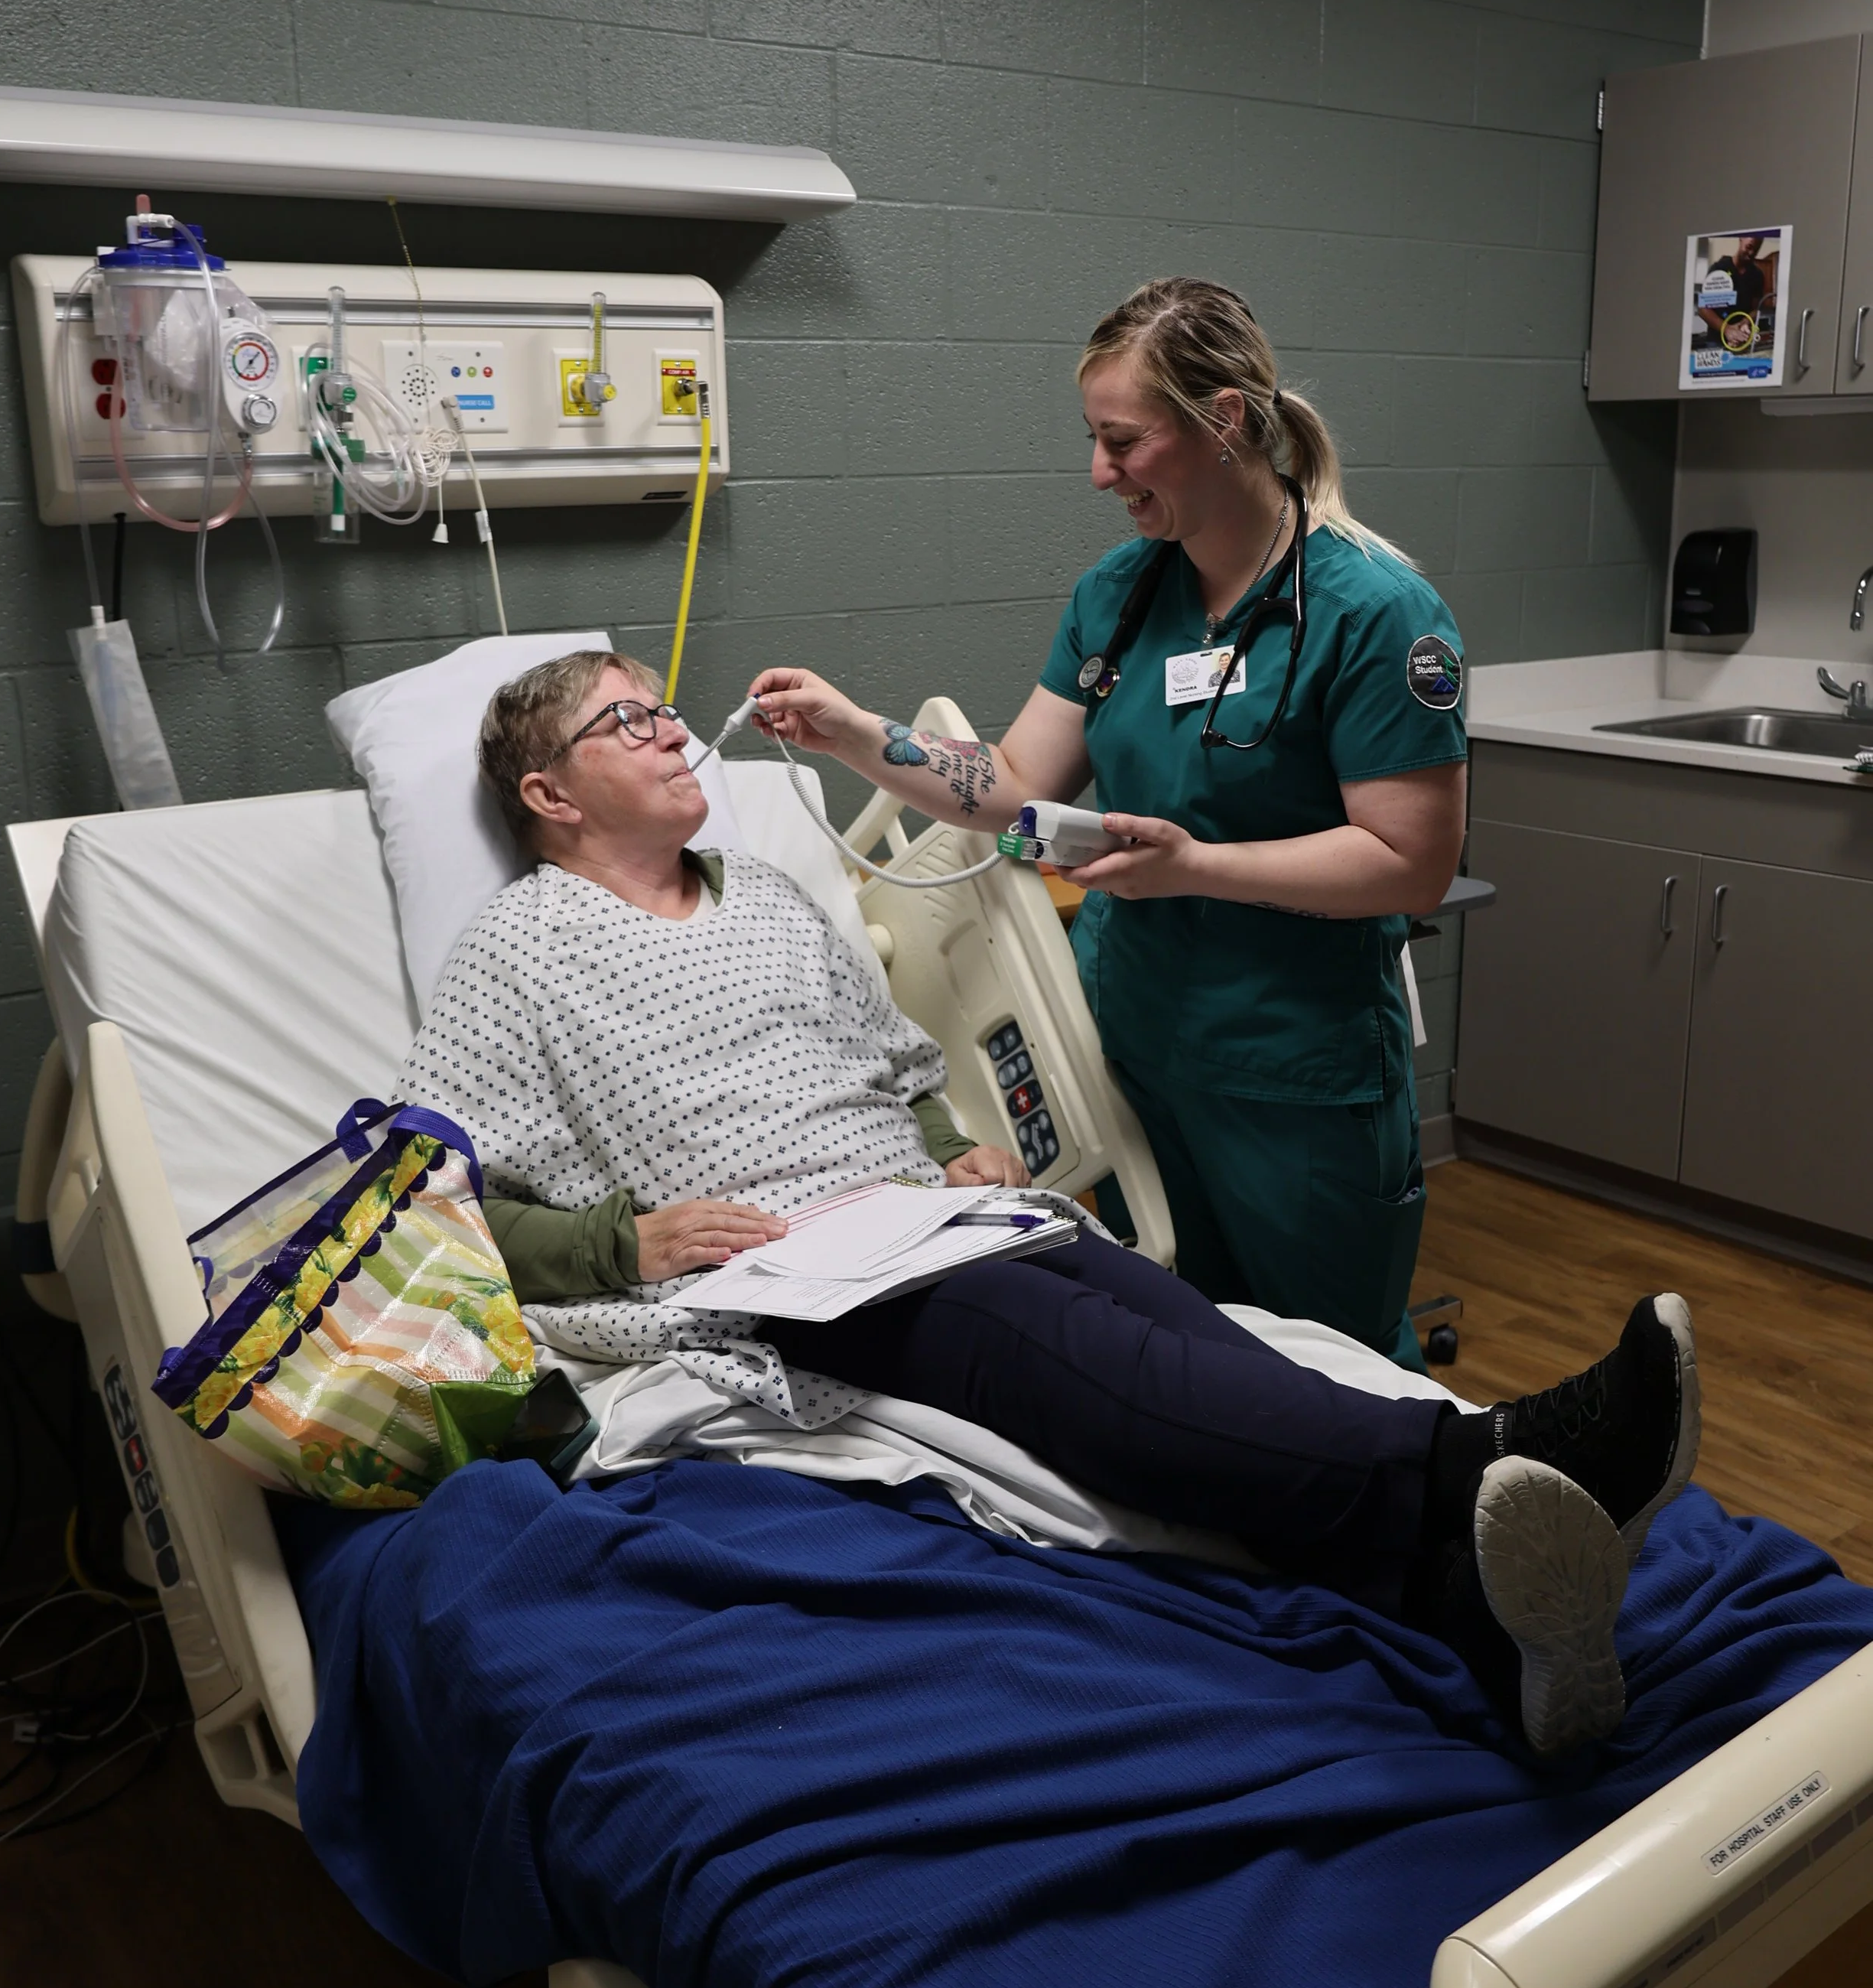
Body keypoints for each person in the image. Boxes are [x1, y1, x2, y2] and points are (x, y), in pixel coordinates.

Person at [396, 648, 1701, 1759]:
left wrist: (954, 1144)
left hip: (918, 1215)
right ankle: (1488, 1458)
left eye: (664, 705)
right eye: (625, 720)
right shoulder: (522, 947)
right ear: (548, 791)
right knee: (1078, 1357)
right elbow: (431, 1197)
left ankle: (1467, 1598)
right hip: (784, 1271)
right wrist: (621, 1241)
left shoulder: (777, 899)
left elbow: (898, 1068)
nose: (673, 727)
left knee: (1173, 1327)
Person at [749, 278, 1468, 1369]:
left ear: (1225, 422)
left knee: (1339, 1367)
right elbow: (1014, 781)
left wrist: (1197, 868)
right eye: (1094, 439)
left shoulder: (1377, 613)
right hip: (1125, 1043)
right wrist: (857, 734)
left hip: (1292, 1069)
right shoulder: (1123, 595)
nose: (1100, 472)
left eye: (1124, 442)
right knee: (1177, 1355)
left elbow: (1411, 864)